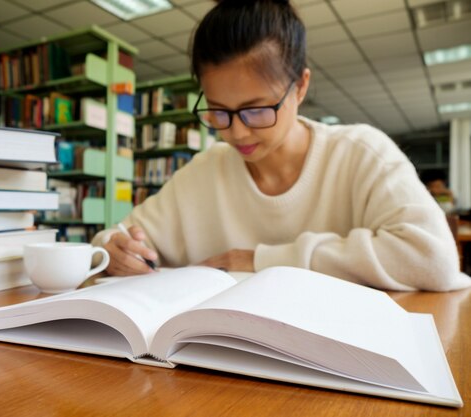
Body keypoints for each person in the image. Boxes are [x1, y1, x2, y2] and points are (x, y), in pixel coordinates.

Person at [92, 0, 470, 291]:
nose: (236, 133)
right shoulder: (206, 170)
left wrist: (259, 260)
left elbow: (433, 259)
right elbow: (114, 238)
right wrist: (112, 250)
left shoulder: (361, 153)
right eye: (218, 111)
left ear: (301, 87)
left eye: (256, 110)